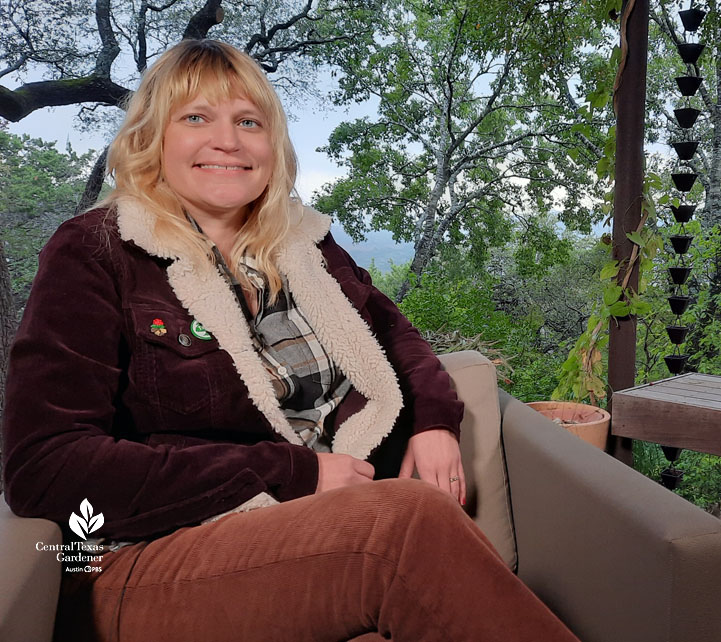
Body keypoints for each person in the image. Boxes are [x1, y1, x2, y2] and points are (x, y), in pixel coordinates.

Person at [2, 39, 578, 642]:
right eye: (196, 117)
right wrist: (291, 473)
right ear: (152, 139)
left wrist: (436, 421)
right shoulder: (96, 252)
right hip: (141, 555)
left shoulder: (304, 247)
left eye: (248, 121)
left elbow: (395, 337)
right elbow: (44, 466)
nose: (228, 140)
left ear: (271, 145)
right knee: (402, 529)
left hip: (306, 536)